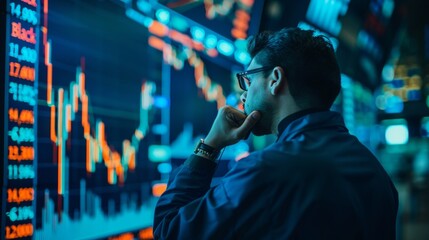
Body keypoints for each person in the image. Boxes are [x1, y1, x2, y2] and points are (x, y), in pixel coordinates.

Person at [153, 27, 398, 239]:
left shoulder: (264, 171)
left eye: (248, 81)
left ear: (275, 79)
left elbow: (169, 230)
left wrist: (210, 146)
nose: (243, 96)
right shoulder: (374, 170)